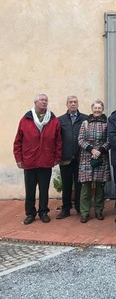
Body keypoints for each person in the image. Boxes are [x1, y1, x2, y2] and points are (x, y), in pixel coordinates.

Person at [13, 93, 62, 224]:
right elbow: (18, 141)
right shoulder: (26, 119)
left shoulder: (53, 120)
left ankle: (43, 212)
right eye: (41, 100)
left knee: (44, 189)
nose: (44, 102)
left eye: (46, 100)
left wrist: (57, 157)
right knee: (30, 190)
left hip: (46, 161)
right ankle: (30, 213)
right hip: (29, 161)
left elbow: (58, 141)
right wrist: (19, 158)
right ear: (35, 103)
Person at [78, 99, 110, 223]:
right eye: (95, 108)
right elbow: (80, 140)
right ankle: (84, 213)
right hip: (87, 157)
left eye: (99, 108)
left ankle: (99, 211)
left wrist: (100, 150)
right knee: (85, 187)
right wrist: (91, 150)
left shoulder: (107, 123)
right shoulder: (85, 123)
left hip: (101, 157)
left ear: (102, 110)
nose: (97, 110)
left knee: (99, 187)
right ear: (92, 109)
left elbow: (109, 140)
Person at [57, 95, 87, 219]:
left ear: (78, 103)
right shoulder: (60, 120)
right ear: (67, 104)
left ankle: (80, 208)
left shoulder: (85, 119)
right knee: (66, 184)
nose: (73, 104)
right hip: (65, 158)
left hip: (81, 158)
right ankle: (65, 209)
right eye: (70, 102)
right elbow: (56, 139)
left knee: (80, 184)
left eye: (75, 102)